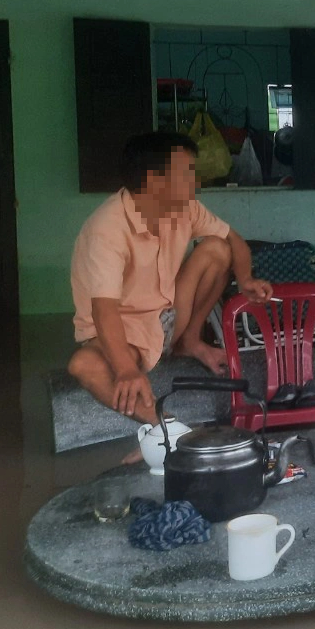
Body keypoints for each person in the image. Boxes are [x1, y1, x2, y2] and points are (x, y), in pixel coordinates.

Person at [68, 131, 273, 425]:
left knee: (217, 249)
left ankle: (190, 341)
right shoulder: (107, 229)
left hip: (168, 318)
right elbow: (104, 310)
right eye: (188, 172)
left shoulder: (184, 209)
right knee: (83, 364)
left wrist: (246, 280)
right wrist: (126, 369)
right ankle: (165, 425)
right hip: (127, 338)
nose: (197, 180)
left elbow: (234, 240)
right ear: (154, 181)